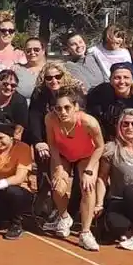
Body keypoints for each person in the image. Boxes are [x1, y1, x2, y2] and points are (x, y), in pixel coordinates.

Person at [44, 87, 106, 251]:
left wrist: (89, 170)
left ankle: (85, 233)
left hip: (87, 156)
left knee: (87, 187)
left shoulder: (88, 122)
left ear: (76, 107)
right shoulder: (50, 119)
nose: (62, 112)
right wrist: (58, 166)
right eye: (58, 108)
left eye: (67, 108)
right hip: (63, 155)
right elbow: (52, 144)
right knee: (57, 186)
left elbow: (100, 147)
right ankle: (64, 217)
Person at [94, 108, 133, 251]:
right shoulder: (111, 149)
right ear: (119, 126)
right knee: (115, 225)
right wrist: (99, 204)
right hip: (119, 200)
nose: (130, 128)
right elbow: (102, 178)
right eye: (125, 124)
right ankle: (132, 233)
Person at [86, 63, 133, 138]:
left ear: (132, 80)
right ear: (110, 80)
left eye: (126, 77)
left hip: (132, 136)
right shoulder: (101, 92)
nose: (122, 81)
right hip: (106, 136)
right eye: (117, 78)